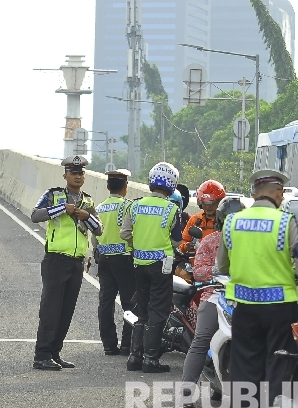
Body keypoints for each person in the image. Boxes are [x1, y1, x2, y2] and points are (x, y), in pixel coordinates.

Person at [216, 169, 298, 408]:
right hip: (281, 308)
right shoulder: (286, 222)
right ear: (279, 193)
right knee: (282, 375)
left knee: (245, 373)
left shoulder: (232, 222)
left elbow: (222, 265)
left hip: (244, 309)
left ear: (255, 193)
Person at [30, 155, 102, 370]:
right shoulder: (53, 195)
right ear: (65, 175)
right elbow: (35, 216)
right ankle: (41, 355)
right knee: (51, 309)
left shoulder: (87, 201)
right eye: (74, 173)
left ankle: (55, 353)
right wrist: (62, 209)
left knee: (66, 310)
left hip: (77, 262)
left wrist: (83, 215)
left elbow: (98, 228)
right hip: (56, 260)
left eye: (81, 173)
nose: (78, 177)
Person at [181, 196, 244, 408]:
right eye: (229, 221)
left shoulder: (250, 243)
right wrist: (219, 274)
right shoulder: (210, 241)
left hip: (244, 298)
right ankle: (187, 392)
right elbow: (198, 271)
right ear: (222, 221)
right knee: (201, 339)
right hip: (214, 295)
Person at [120, 162, 183, 373]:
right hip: (161, 267)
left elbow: (125, 234)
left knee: (142, 310)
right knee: (158, 310)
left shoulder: (134, 205)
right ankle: (150, 359)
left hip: (139, 264)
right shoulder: (172, 209)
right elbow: (176, 241)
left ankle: (134, 357)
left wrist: (137, 246)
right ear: (172, 185)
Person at [93, 169, 137, 356]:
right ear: (125, 187)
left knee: (106, 301)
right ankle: (127, 344)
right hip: (124, 259)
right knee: (130, 303)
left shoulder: (99, 207)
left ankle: (109, 345)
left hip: (104, 259)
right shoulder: (128, 206)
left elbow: (94, 235)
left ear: (108, 186)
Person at [179, 180, 226, 254]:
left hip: (217, 262)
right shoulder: (194, 220)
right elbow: (182, 242)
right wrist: (186, 246)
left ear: (220, 202)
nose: (208, 207)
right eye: (205, 203)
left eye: (212, 203)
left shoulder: (225, 222)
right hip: (195, 262)